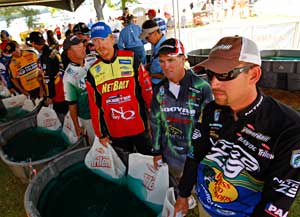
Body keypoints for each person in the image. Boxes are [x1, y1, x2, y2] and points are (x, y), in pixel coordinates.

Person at [174, 36, 300, 217]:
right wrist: (183, 194)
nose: (214, 83)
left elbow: (278, 199)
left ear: (254, 75)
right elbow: (195, 153)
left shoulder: (290, 129)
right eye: (210, 74)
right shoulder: (210, 110)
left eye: (225, 74)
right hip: (206, 207)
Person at [150, 38, 213, 187]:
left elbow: (211, 126)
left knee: (197, 187)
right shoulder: (159, 89)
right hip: (170, 154)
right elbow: (155, 122)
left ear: (183, 59)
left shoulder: (202, 88)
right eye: (162, 61)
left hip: (195, 155)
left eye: (171, 60)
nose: (166, 66)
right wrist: (156, 151)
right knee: (175, 187)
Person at [86, 22, 153, 154]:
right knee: (124, 167)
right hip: (115, 131)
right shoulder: (93, 71)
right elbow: (94, 106)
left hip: (139, 126)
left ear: (112, 38)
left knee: (148, 164)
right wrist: (100, 134)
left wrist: (154, 119)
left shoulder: (131, 58)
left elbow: (147, 90)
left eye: (103, 39)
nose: (100, 45)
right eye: (95, 41)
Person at [63, 35, 97, 145]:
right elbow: (72, 104)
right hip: (88, 117)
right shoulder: (69, 77)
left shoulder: (92, 59)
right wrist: (77, 126)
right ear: (69, 53)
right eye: (78, 47)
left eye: (83, 46)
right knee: (96, 144)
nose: (83, 49)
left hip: (103, 109)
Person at [26, 31, 67, 116]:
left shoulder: (45, 56)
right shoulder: (52, 50)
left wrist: (49, 96)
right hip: (62, 83)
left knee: (61, 113)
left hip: (56, 89)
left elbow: (48, 78)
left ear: (33, 43)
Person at [140, 20, 166, 85]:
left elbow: (168, 76)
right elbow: (154, 61)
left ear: (155, 33)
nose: (147, 40)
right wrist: (145, 67)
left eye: (147, 38)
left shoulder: (166, 49)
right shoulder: (155, 45)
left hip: (161, 85)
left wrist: (151, 74)